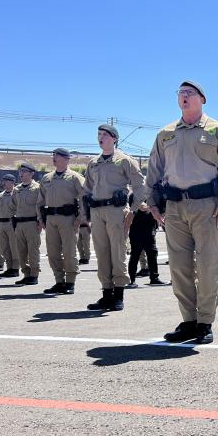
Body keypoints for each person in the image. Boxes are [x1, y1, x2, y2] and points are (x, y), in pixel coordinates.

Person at [146, 80, 218, 344]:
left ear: (202, 99)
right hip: (174, 207)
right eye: (180, 94)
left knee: (208, 264)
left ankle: (205, 322)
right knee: (179, 267)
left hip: (206, 206)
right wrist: (153, 204)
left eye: (189, 93)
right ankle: (189, 320)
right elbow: (153, 170)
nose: (184, 97)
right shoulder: (165, 133)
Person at [84, 124, 146, 312]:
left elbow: (140, 185)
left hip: (116, 211)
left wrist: (133, 210)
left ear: (114, 138)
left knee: (117, 252)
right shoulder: (93, 162)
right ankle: (106, 294)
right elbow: (86, 189)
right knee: (102, 253)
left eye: (104, 135)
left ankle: (118, 295)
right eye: (99, 135)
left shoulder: (125, 160)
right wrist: (85, 215)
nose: (100, 138)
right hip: (97, 211)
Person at [38, 148, 87, 295]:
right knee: (53, 252)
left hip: (68, 219)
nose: (54, 158)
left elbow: (84, 198)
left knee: (69, 251)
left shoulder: (75, 177)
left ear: (66, 159)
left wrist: (80, 218)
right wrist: (41, 219)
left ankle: (70, 282)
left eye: (57, 156)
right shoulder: (46, 178)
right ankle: (59, 281)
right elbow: (39, 202)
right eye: (53, 155)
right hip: (50, 219)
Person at [9, 163, 43, 285]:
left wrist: (40, 221)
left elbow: (42, 206)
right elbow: (12, 206)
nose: (21, 173)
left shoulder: (38, 188)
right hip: (19, 224)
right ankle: (26, 274)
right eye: (20, 171)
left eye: (24, 171)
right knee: (21, 251)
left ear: (31, 173)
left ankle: (34, 275)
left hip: (32, 223)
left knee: (33, 250)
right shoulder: (17, 189)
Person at [127, 200, 164, 287]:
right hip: (136, 232)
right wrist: (153, 207)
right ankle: (131, 280)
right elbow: (142, 207)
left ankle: (154, 278)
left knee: (153, 255)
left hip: (150, 232)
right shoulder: (135, 196)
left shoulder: (152, 195)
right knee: (135, 256)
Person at [0, 175, 21, 278]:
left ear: (11, 182)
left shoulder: (17, 193)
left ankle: (15, 268)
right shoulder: (0, 196)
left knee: (14, 247)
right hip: (2, 224)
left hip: (12, 223)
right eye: (3, 181)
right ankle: (9, 268)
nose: (3, 183)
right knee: (4, 247)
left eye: (5, 181)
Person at [77, 197, 92, 265]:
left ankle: (87, 258)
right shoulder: (77, 205)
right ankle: (82, 257)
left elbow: (89, 216)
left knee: (86, 244)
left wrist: (89, 225)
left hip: (85, 226)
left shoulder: (86, 205)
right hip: (78, 227)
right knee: (79, 244)